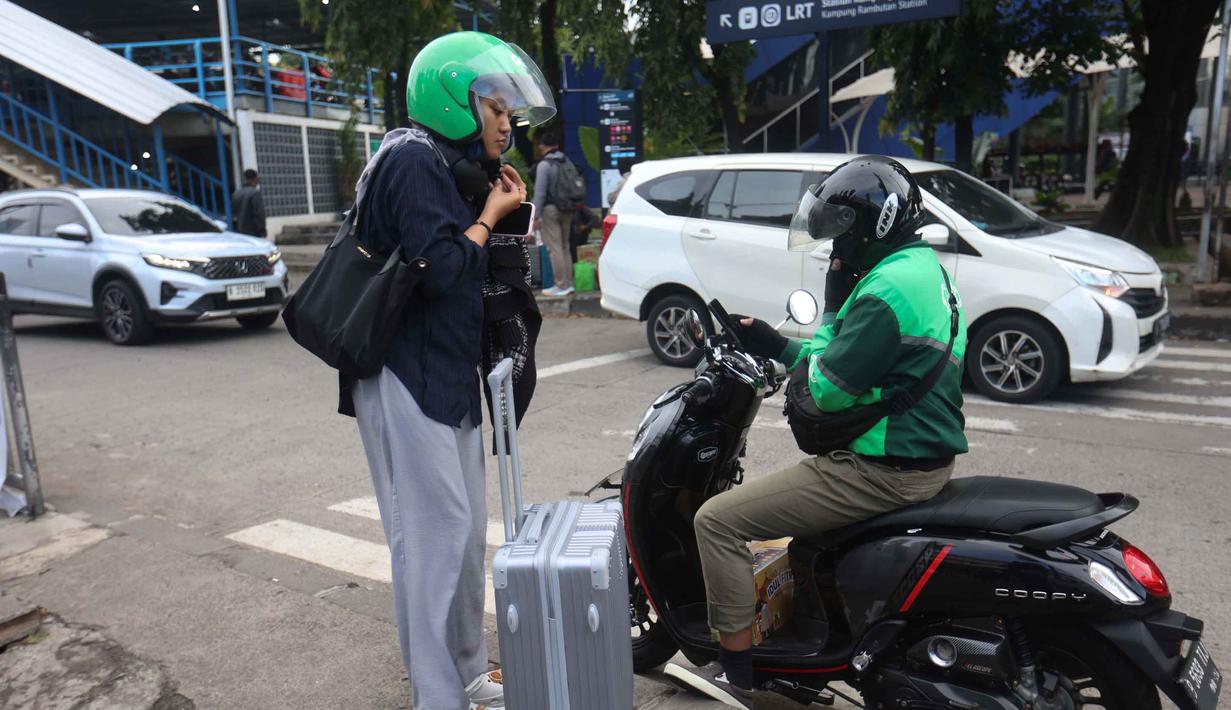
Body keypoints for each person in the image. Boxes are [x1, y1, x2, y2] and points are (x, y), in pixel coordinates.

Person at [665, 156, 968, 707]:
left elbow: (826, 389)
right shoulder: (919, 270)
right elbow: (862, 363)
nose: (835, 250)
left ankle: (735, 675)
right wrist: (778, 345)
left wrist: (829, 308)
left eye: (841, 236)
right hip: (915, 456)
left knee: (718, 521)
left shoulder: (883, 290)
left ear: (873, 226)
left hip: (881, 468)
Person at [346, 31, 555, 710]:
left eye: (507, 110)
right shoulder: (409, 159)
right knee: (430, 545)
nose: (507, 121)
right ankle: (437, 695)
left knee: (463, 539)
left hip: (448, 376)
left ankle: (469, 674)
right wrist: (488, 215)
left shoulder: (447, 164)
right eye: (495, 107)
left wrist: (499, 215)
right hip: (404, 375)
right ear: (451, 100)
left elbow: (475, 272)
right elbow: (437, 269)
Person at [532, 131, 575, 296]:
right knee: (565, 246)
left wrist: (535, 216)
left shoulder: (545, 165)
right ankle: (568, 284)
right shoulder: (566, 161)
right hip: (568, 209)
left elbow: (540, 193)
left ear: (543, 146)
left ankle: (561, 285)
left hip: (551, 210)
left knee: (554, 248)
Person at [231, 169, 266, 237]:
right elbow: (259, 213)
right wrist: (262, 228)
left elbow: (234, 211)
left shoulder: (236, 194)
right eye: (257, 178)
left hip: (240, 230)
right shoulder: (255, 193)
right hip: (253, 230)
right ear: (255, 179)